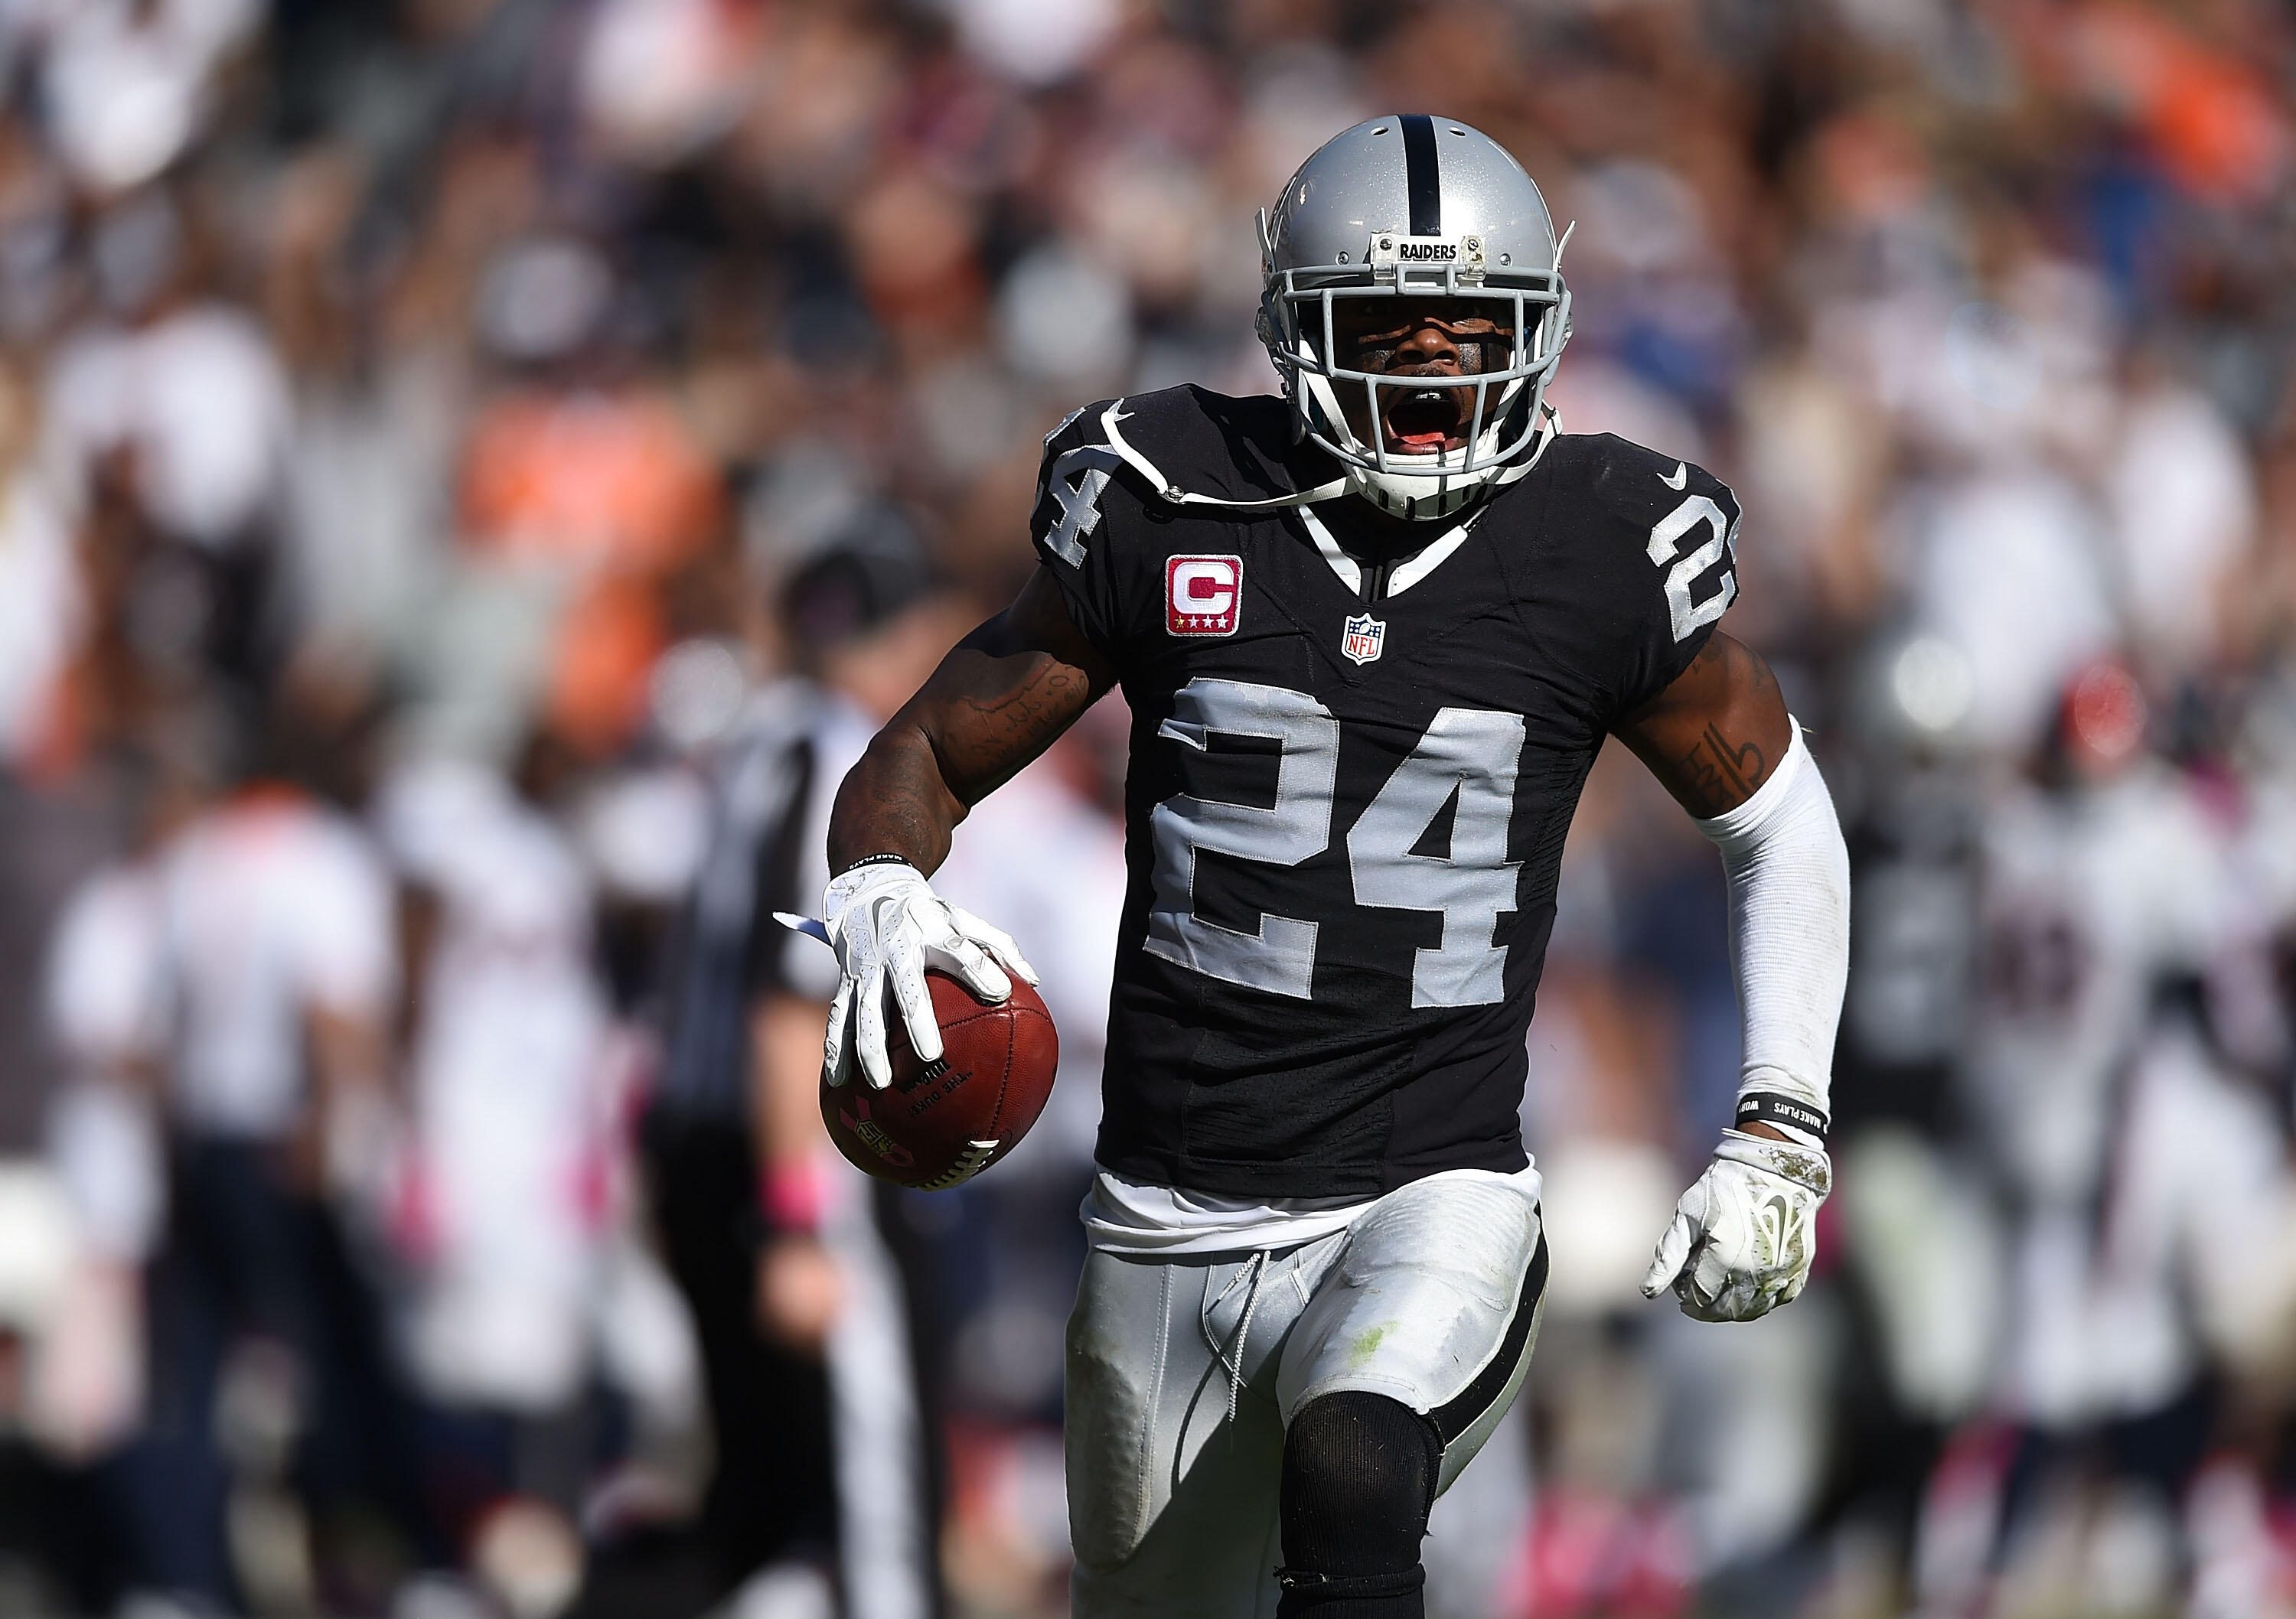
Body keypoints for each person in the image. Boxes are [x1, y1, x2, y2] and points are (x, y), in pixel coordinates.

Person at [812, 118, 1852, 1618]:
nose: (1432, 370)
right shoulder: (1166, 492)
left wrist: (1779, 1124)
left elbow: (1780, 817)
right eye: (1388, 327)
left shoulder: (1598, 542)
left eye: (1470, 331)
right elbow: (925, 749)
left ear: (1541, 334)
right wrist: (877, 891)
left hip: (1428, 1187)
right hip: (1168, 1208)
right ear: (1297, 325)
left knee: (1355, 1462)